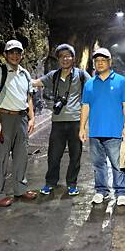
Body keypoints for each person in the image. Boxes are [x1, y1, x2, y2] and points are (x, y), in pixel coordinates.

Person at [33, 44, 90, 196]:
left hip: (76, 120)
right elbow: (36, 83)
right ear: (58, 59)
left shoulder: (81, 75)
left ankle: (72, 184)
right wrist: (18, 75)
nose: (65, 59)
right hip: (58, 121)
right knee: (54, 155)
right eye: (62, 56)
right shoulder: (54, 75)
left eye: (68, 56)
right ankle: (50, 183)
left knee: (75, 154)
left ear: (73, 58)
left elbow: (94, 88)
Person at [79, 47, 125, 207]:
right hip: (95, 131)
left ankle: (121, 192)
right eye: (97, 61)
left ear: (110, 62)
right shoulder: (89, 84)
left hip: (115, 131)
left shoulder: (121, 81)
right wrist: (82, 127)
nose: (100, 63)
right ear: (94, 64)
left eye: (103, 60)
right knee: (98, 164)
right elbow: (85, 106)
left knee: (118, 164)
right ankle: (101, 190)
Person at [0, 39, 36, 207]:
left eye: (18, 52)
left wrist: (32, 117)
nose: (15, 55)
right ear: (5, 54)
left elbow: (28, 97)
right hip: (5, 117)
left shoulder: (25, 74)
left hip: (21, 118)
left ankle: (20, 189)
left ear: (22, 55)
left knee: (21, 155)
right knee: (0, 157)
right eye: (11, 52)